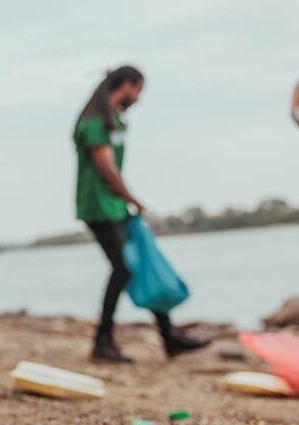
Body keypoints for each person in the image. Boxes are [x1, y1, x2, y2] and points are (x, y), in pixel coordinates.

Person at [73, 66, 211, 363]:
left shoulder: (113, 121)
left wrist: (127, 203)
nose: (138, 98)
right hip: (99, 207)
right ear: (127, 85)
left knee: (141, 264)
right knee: (123, 268)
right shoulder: (94, 122)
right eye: (138, 91)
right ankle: (103, 340)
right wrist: (136, 200)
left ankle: (168, 335)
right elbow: (106, 168)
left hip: (116, 207)